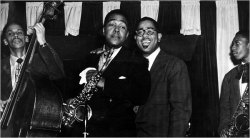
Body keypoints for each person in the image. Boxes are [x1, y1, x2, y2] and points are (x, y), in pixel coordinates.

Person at [64, 9, 151, 137]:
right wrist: (71, 99)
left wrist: (105, 83)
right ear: (104, 30)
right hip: (85, 130)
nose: (116, 30)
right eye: (112, 24)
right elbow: (73, 86)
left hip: (116, 132)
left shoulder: (137, 61)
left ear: (127, 34)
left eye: (122, 26)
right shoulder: (90, 57)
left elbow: (141, 94)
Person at [0, 21, 65, 137]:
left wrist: (43, 42)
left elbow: (58, 74)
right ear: (5, 41)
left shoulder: (41, 61)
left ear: (26, 39)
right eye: (10, 33)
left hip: (30, 128)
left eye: (19, 32)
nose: (15, 35)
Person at [134, 17, 192, 137]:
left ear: (159, 37)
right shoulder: (131, 66)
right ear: (135, 38)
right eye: (140, 32)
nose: (144, 36)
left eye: (150, 31)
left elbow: (180, 113)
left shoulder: (175, 65)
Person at [218, 31, 249, 137]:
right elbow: (224, 109)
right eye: (232, 45)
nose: (232, 48)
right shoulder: (229, 77)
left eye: (237, 43)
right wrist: (223, 130)